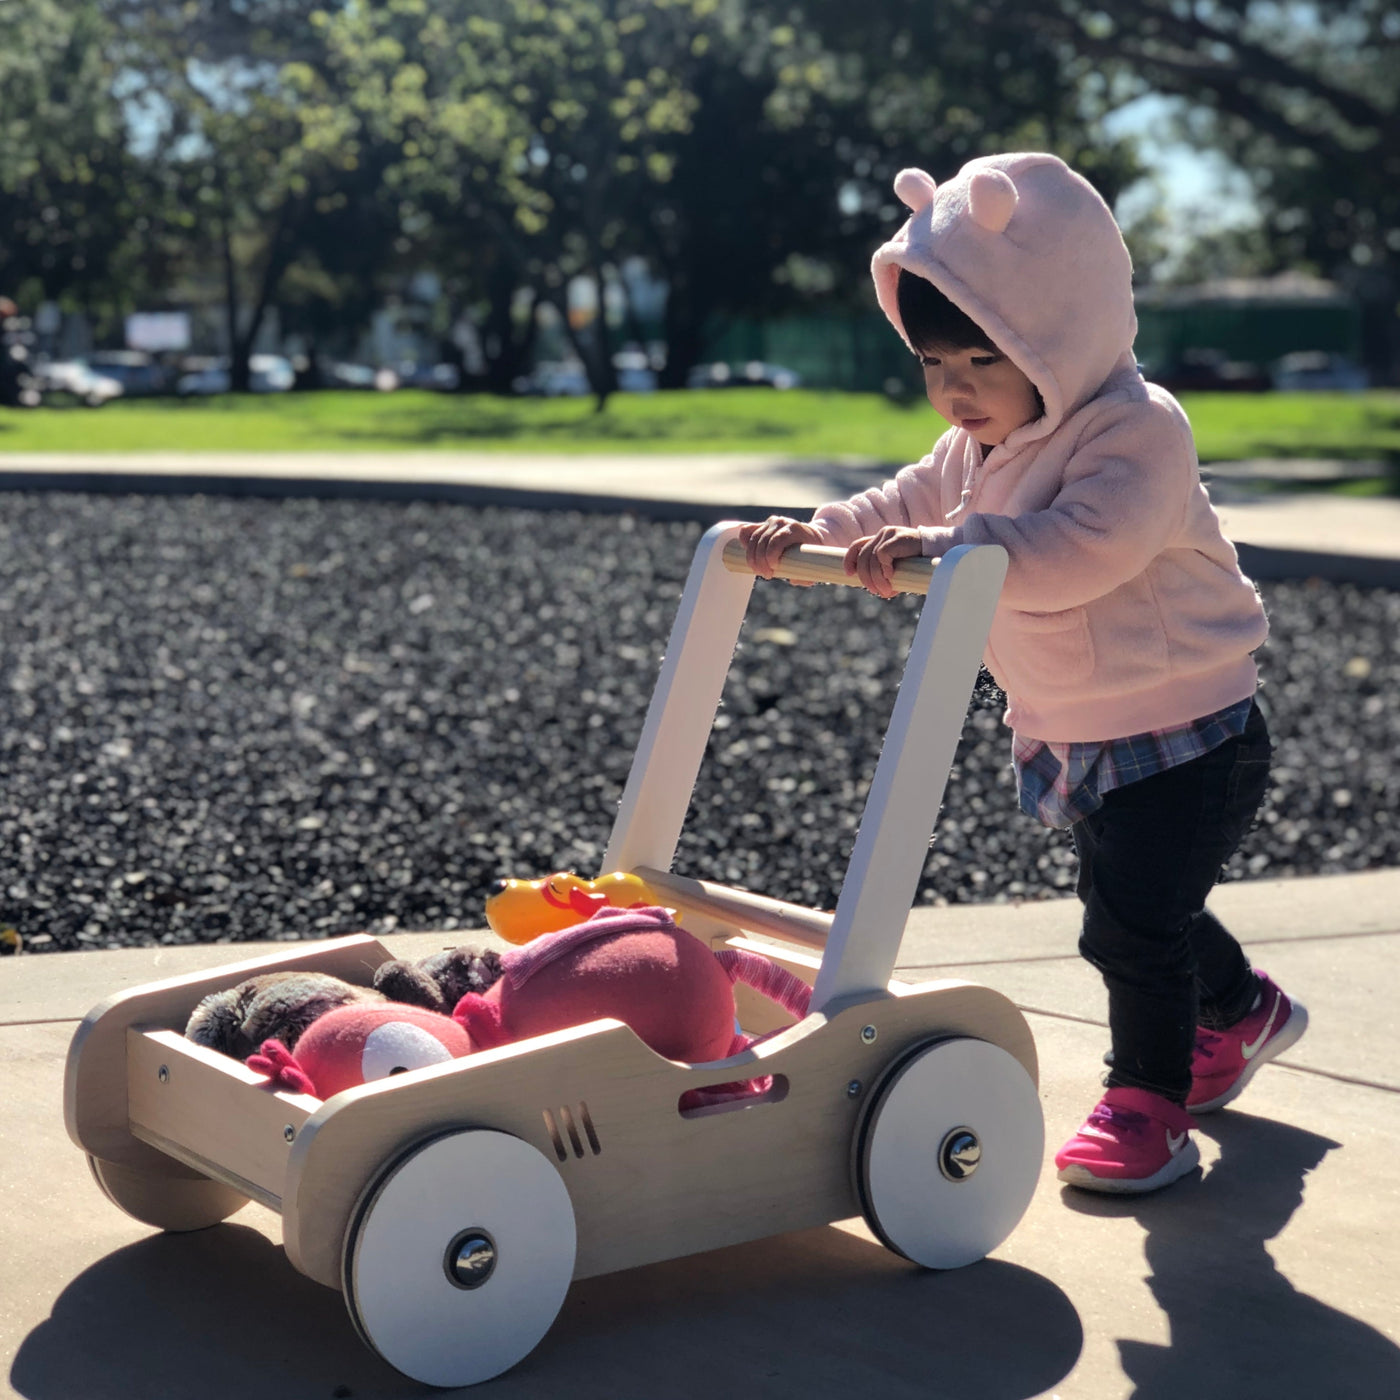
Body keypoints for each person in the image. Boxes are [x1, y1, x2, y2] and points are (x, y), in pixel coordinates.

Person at [739, 153, 1307, 1195]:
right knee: (1135, 902)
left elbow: (1078, 550)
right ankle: (1243, 1009)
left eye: (979, 363)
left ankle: (1147, 1102)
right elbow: (904, 494)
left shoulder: (1138, 429)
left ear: (1055, 338)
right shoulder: (974, 441)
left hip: (1190, 727)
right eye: (932, 365)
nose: (953, 391)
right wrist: (818, 533)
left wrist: (950, 542)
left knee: (1126, 921)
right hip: (1077, 718)